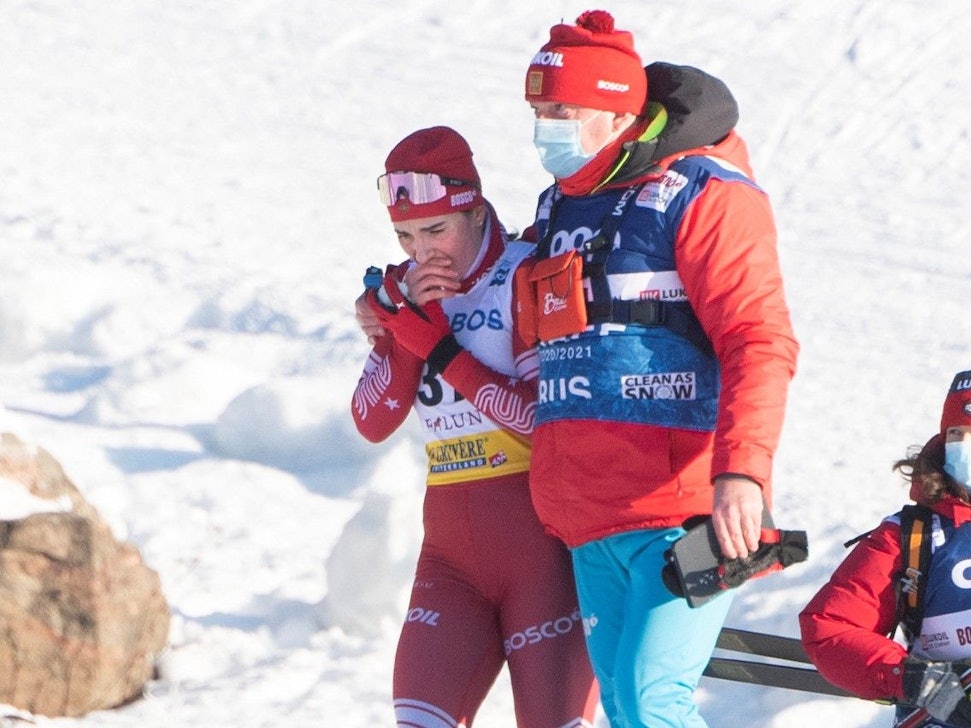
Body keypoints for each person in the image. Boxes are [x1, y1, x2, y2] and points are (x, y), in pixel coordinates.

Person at [516, 10, 800, 727]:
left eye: (561, 113)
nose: (544, 129)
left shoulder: (704, 192)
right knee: (622, 706)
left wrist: (743, 474)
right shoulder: (559, 206)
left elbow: (758, 339)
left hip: (680, 508)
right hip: (586, 512)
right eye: (538, 112)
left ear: (618, 113)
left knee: (652, 702)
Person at [350, 126, 599, 728]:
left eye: (436, 230)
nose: (422, 252)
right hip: (449, 560)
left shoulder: (525, 274)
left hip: (542, 555)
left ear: (476, 209)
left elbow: (543, 422)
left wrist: (441, 350)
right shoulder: (405, 293)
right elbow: (371, 421)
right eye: (405, 235)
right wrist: (406, 334)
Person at [800, 370, 971, 728]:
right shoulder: (910, 535)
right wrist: (913, 679)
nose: (964, 446)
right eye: (956, 434)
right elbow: (831, 628)